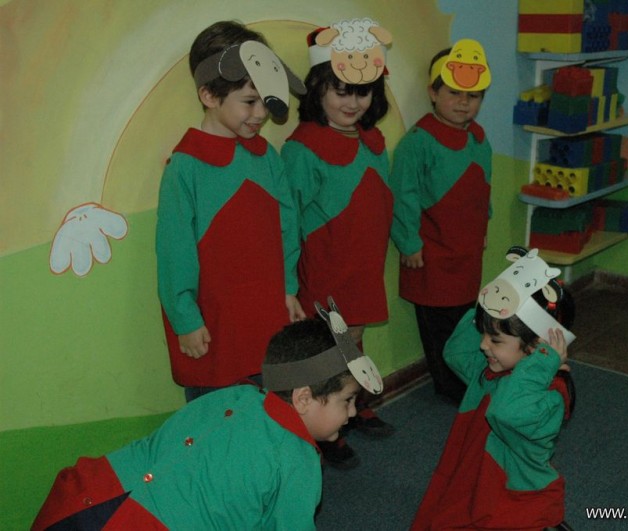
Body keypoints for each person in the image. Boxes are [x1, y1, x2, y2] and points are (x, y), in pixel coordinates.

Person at [32, 301, 385, 530]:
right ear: (304, 398)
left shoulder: (235, 394)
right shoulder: (299, 460)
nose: (353, 413)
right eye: (347, 401)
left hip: (81, 499)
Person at [155, 21, 307, 402]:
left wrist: (288, 288)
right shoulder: (186, 167)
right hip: (214, 326)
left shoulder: (267, 157)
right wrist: (185, 318)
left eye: (265, 101)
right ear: (209, 95)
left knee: (272, 409)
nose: (261, 114)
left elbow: (287, 227)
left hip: (266, 315)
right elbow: (174, 251)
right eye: (249, 101)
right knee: (219, 416)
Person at [281, 18, 395, 468]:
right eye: (341, 90)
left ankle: (352, 402)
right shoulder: (302, 147)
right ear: (318, 90)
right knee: (327, 349)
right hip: (326, 268)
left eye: (362, 92)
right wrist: (288, 284)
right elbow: (288, 222)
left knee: (354, 340)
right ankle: (325, 428)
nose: (352, 102)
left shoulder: (373, 140)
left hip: (363, 266)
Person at [412, 247, 576, 530]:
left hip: (513, 499)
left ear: (537, 347)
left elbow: (506, 412)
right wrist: (488, 307)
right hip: (473, 482)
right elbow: (455, 353)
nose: (482, 344)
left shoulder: (551, 397)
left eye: (495, 340)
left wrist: (541, 363)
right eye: (483, 332)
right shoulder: (489, 368)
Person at [390, 40, 493, 404]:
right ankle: (449, 384)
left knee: (466, 318)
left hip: (466, 249)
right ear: (433, 93)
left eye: (473, 95)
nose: (464, 102)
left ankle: (467, 374)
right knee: (439, 324)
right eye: (454, 92)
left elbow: (483, 187)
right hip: (431, 254)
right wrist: (409, 242)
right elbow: (403, 196)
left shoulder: (478, 138)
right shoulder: (418, 143)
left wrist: (483, 228)